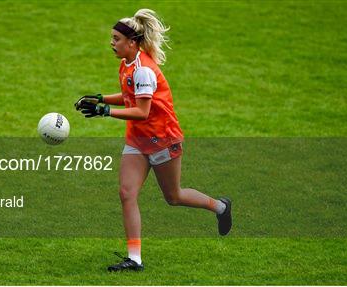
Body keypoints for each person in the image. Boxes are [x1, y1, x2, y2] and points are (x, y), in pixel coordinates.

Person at [74, 8, 232, 272]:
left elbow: (141, 111)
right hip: (138, 140)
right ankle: (134, 258)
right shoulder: (126, 64)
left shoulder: (144, 70)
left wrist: (104, 111)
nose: (112, 43)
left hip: (162, 140)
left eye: (116, 39)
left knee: (174, 196)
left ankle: (220, 207)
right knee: (127, 193)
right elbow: (128, 96)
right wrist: (100, 98)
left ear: (132, 43)